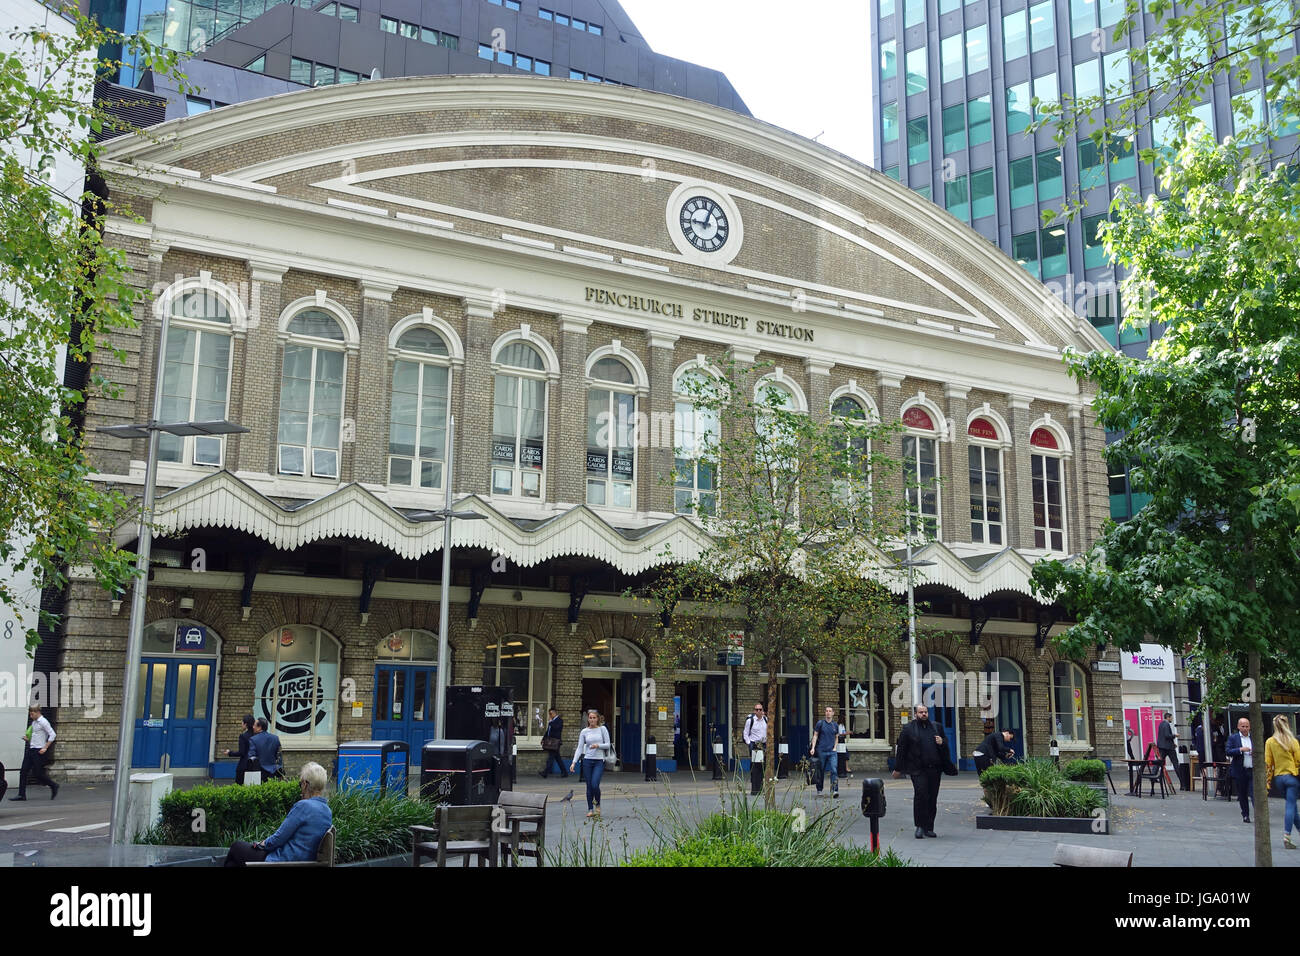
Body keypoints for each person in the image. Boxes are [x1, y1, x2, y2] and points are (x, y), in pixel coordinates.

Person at [224, 761, 332, 865]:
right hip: (304, 861)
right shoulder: (327, 810)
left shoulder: (303, 806)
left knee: (236, 847)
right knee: (233, 863)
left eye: (300, 784)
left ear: (305, 784)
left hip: (284, 860)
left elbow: (279, 838)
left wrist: (262, 844)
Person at [892, 704, 949, 838]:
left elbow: (945, 743)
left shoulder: (936, 727)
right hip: (917, 769)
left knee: (932, 797)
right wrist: (898, 768)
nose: (924, 714)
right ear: (915, 714)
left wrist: (942, 742)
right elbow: (901, 749)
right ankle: (919, 826)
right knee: (921, 795)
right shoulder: (909, 729)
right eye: (921, 712)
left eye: (925, 712)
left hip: (934, 769)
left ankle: (929, 827)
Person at [1266, 715, 1300, 850]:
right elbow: (1298, 760)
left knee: (1294, 809)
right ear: (1288, 725)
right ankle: (1287, 836)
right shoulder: (1292, 741)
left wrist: (1267, 782)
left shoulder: (1270, 742)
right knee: (1291, 806)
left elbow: (1268, 764)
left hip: (1279, 778)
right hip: (1291, 777)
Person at [10, 705, 58, 801]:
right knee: (23, 771)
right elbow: (36, 736)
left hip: (39, 751)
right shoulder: (34, 722)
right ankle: (21, 795)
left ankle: (54, 785)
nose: (31, 716)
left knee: (38, 774)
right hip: (31, 749)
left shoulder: (43, 722)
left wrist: (45, 747)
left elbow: (53, 734)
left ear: (37, 712)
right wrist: (28, 739)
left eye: (32, 714)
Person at [570, 709, 611, 818]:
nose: (592, 720)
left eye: (594, 718)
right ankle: (590, 809)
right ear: (588, 719)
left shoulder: (602, 729)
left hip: (599, 760)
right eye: (590, 718)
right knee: (589, 786)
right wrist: (574, 762)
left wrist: (598, 745)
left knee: (594, 784)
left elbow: (607, 745)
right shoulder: (584, 731)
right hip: (587, 760)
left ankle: (597, 805)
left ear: (597, 719)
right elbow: (579, 748)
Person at [1226, 717, 1254, 823]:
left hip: (1252, 769)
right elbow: (1228, 751)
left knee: (1254, 792)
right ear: (1238, 727)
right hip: (1240, 770)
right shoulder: (1234, 738)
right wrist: (1240, 750)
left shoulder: (1253, 738)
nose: (1245, 728)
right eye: (1243, 726)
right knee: (1242, 794)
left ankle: (1259, 813)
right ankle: (1245, 814)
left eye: (1247, 726)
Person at [810, 706, 840, 798]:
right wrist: (813, 748)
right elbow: (815, 735)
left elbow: (836, 737)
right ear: (825, 713)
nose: (828, 713)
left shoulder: (835, 725)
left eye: (830, 711)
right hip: (821, 751)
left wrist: (835, 747)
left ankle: (834, 790)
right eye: (826, 711)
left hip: (832, 752)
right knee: (820, 771)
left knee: (834, 770)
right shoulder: (820, 723)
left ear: (833, 713)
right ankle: (819, 790)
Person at [743, 702, 768, 795]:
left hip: (763, 744)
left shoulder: (766, 719)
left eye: (760, 709)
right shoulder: (750, 721)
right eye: (756, 710)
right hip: (755, 745)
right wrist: (749, 744)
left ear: (763, 711)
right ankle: (755, 786)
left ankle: (760, 785)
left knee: (762, 766)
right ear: (754, 711)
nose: (758, 711)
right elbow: (745, 733)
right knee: (755, 766)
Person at [224, 714, 256, 785]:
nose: (241, 724)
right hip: (255, 765)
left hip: (244, 765)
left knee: (239, 786)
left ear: (246, 724)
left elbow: (241, 752)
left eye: (242, 722)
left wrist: (230, 753)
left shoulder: (243, 736)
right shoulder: (256, 735)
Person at [539, 708, 567, 778]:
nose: (550, 715)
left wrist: (550, 722)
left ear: (555, 713)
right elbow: (548, 731)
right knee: (558, 758)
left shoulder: (559, 720)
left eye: (551, 714)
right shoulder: (552, 721)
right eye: (549, 714)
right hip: (551, 742)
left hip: (555, 742)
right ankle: (564, 772)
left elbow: (557, 728)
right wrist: (543, 739)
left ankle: (545, 773)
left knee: (551, 757)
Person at [1157, 712, 1178, 786]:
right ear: (1168, 717)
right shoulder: (1166, 724)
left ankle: (1154, 775)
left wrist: (1173, 743)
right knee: (1176, 763)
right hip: (1168, 747)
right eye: (1171, 718)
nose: (1172, 719)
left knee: (1159, 762)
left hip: (1162, 746)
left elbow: (1162, 736)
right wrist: (1174, 735)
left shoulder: (1161, 724)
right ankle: (1183, 782)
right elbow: (1167, 735)